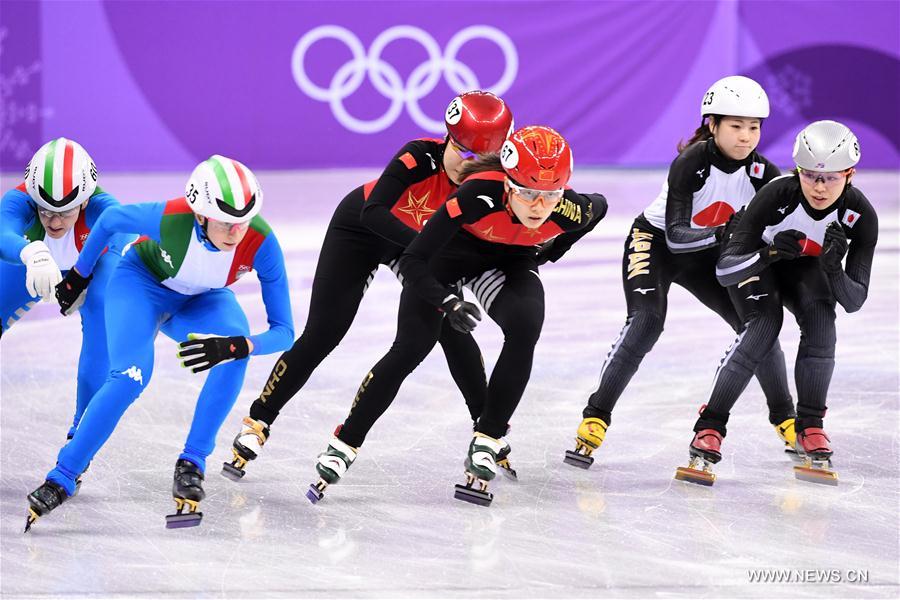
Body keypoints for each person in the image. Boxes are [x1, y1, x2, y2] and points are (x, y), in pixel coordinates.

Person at [306, 125, 607, 506]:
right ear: (509, 185)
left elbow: (600, 207)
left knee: (526, 325)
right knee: (412, 346)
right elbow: (415, 258)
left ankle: (488, 437)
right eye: (529, 193)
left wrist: (552, 250)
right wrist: (447, 302)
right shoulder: (476, 194)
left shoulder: (570, 209)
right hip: (451, 255)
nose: (539, 206)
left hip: (510, 260)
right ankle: (345, 441)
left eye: (550, 195)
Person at [222, 91, 513, 480]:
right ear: (447, 136)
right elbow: (372, 211)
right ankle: (259, 419)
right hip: (360, 231)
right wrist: (425, 250)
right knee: (323, 334)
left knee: (452, 331)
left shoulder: (487, 181)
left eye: (483, 159)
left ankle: (486, 426)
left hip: (417, 246)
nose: (469, 164)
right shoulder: (418, 157)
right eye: (462, 151)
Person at [24, 155, 294, 531]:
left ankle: (192, 462)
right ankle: (63, 474)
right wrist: (79, 276)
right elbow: (111, 221)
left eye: (243, 221)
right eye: (225, 222)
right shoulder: (171, 218)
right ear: (200, 215)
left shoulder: (261, 242)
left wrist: (238, 346)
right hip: (141, 286)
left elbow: (285, 330)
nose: (236, 232)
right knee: (131, 376)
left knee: (235, 352)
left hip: (201, 300)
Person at [564, 76, 795, 470]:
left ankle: (787, 420)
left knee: (759, 326)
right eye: (736, 126)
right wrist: (725, 232)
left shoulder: (764, 175)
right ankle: (596, 415)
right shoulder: (692, 162)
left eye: (753, 127)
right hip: (657, 244)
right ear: (712, 125)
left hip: (708, 251)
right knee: (648, 321)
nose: (745, 137)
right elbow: (675, 235)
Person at [675, 120, 878, 486]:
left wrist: (833, 270)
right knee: (763, 328)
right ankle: (710, 426)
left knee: (822, 324)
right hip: (759, 262)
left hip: (807, 270)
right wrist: (768, 252)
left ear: (850, 174)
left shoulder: (861, 216)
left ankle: (811, 425)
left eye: (830, 178)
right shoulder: (776, 195)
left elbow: (855, 301)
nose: (819, 187)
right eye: (810, 176)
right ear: (796, 171)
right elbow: (724, 270)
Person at [0, 138, 128, 440]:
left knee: (101, 313)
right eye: (45, 211)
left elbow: (124, 241)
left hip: (89, 271)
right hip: (30, 266)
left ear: (85, 201)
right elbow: (2, 233)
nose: (54, 221)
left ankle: (81, 432)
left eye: (66, 211)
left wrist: (80, 277)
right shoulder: (19, 200)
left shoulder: (105, 210)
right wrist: (31, 253)